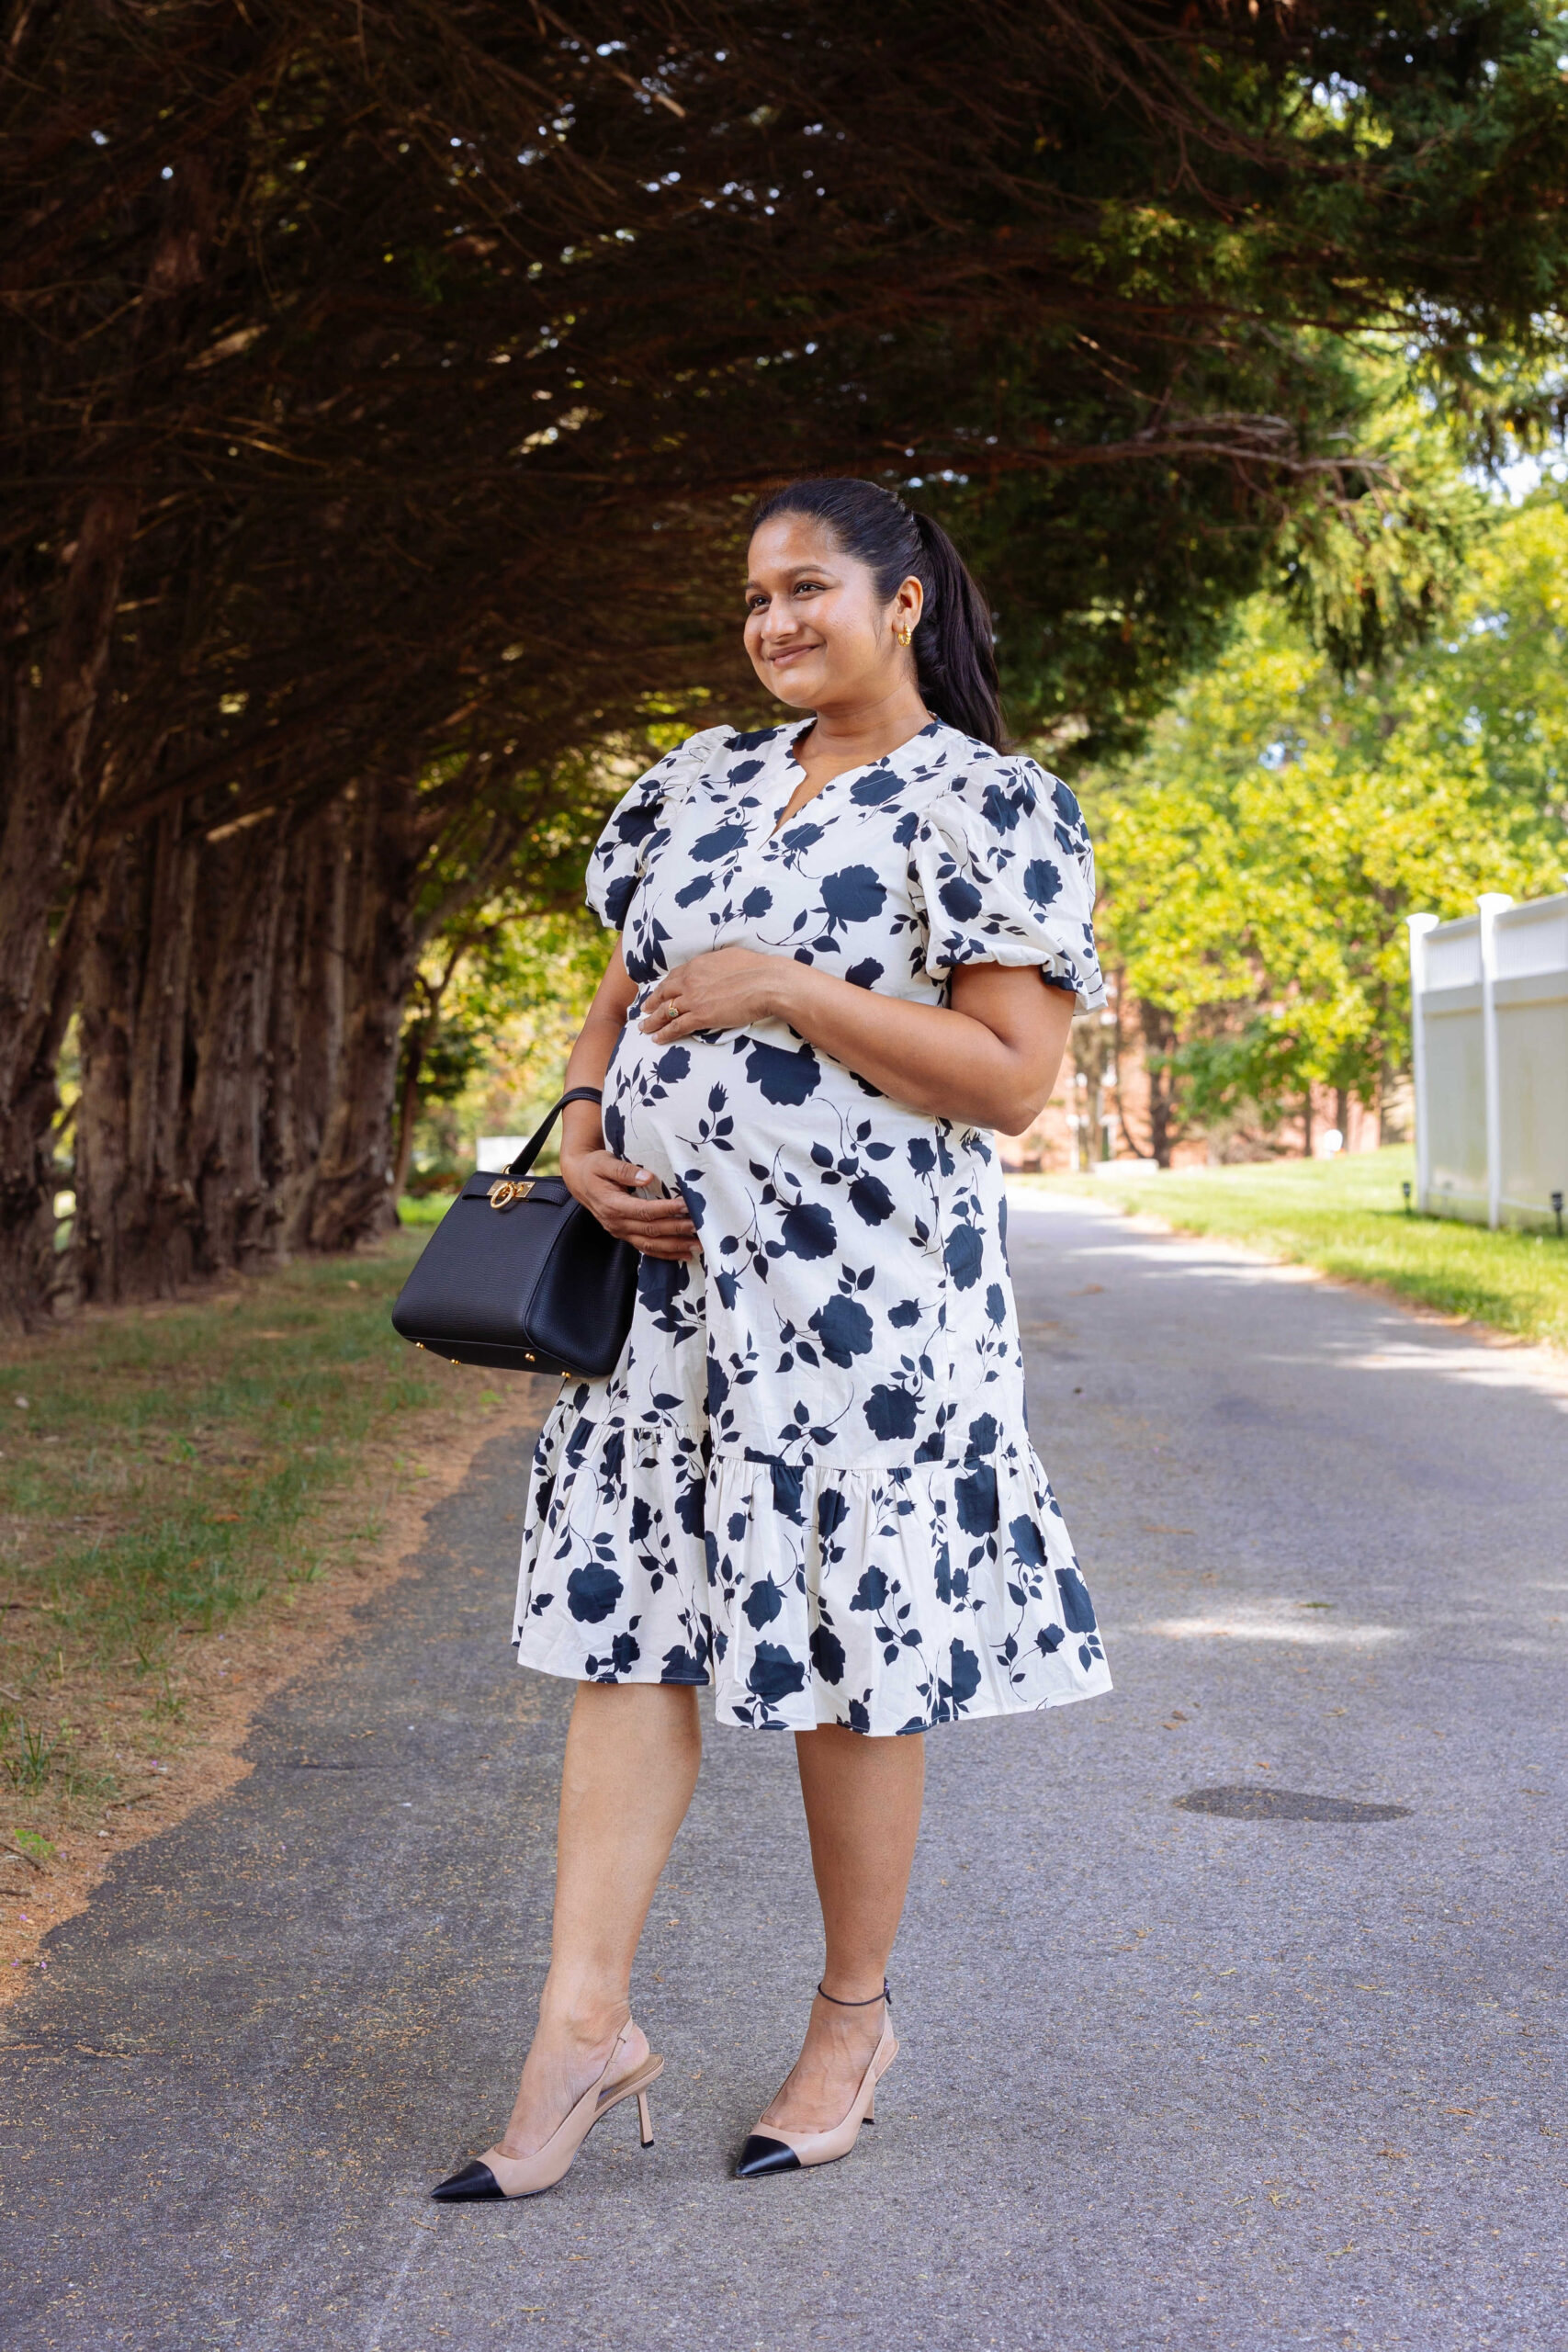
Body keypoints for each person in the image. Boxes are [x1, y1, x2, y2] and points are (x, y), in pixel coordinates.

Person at [433, 476, 1112, 2203]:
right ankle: (581, 2027)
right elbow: (621, 981)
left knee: (849, 1657)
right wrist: (583, 1125)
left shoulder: (990, 806)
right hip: (662, 1302)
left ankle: (850, 2017)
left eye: (807, 588)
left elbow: (1013, 1081)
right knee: (625, 1634)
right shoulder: (694, 782)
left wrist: (794, 990)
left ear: (902, 603)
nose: (772, 623)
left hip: (867, 1314)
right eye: (751, 599)